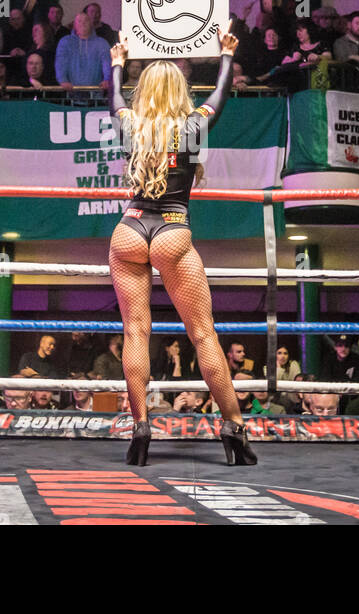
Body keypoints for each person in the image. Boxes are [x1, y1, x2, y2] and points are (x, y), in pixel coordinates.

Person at [106, 28, 256, 467]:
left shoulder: (131, 124)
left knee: (136, 331)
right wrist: (227, 56)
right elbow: (222, 95)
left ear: (144, 94)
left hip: (129, 228)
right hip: (173, 229)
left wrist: (117, 63)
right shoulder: (192, 126)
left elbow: (115, 98)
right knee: (203, 333)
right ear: (180, 91)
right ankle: (234, 429)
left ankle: (140, 427)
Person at [54, 12, 110, 90]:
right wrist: (62, 80)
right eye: (79, 21)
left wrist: (107, 79)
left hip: (95, 95)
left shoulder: (102, 43)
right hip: (71, 94)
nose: (83, 23)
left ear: (91, 23)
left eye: (86, 20)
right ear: (74, 25)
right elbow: (61, 63)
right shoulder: (66, 42)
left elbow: (107, 63)